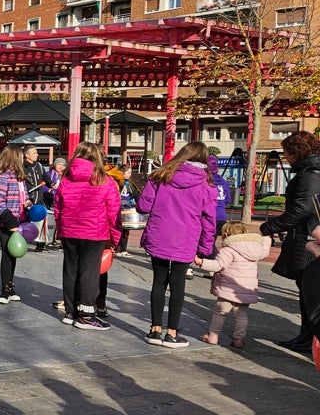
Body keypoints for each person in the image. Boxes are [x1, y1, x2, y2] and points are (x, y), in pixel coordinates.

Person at [137, 141, 216, 349]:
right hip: (186, 238)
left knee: (158, 281)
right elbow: (209, 220)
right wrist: (205, 249)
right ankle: (172, 333)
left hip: (159, 233)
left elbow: (143, 206)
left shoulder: (160, 176)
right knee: (178, 284)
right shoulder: (206, 185)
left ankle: (155, 329)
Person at [258, 131, 320, 355]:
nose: (284, 157)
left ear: (296, 152)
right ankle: (306, 335)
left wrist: (271, 226)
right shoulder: (309, 171)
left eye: (286, 152)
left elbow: (304, 208)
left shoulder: (311, 174)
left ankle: (309, 337)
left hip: (309, 237)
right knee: (306, 288)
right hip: (307, 234)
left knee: (309, 288)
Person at [53, 142, 120, 330]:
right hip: (94, 232)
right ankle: (86, 314)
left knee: (70, 270)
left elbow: (58, 207)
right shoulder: (104, 180)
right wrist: (115, 238)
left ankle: (70, 311)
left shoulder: (66, 179)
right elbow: (113, 212)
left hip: (69, 231)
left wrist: (61, 229)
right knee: (89, 273)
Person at [197, 221, 271, 349]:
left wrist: (201, 262)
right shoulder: (255, 249)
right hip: (245, 290)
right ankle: (238, 339)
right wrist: (266, 238)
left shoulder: (229, 250)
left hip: (227, 288)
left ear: (226, 234)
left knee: (220, 312)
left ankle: (213, 336)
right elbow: (265, 250)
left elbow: (218, 265)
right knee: (241, 315)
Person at [0, 145, 29, 303]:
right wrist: (7, 216)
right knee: (7, 253)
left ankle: (11, 286)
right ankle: (5, 289)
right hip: (5, 221)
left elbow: (22, 195)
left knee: (13, 254)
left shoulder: (20, 178)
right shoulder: (5, 176)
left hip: (18, 218)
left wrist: (27, 202)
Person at [22, 145, 49, 250]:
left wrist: (50, 183)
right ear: (27, 155)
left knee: (41, 220)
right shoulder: (22, 166)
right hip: (28, 198)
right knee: (26, 220)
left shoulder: (38, 165)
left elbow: (45, 177)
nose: (37, 154)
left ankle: (40, 243)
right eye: (34, 153)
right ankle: (23, 240)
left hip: (39, 198)